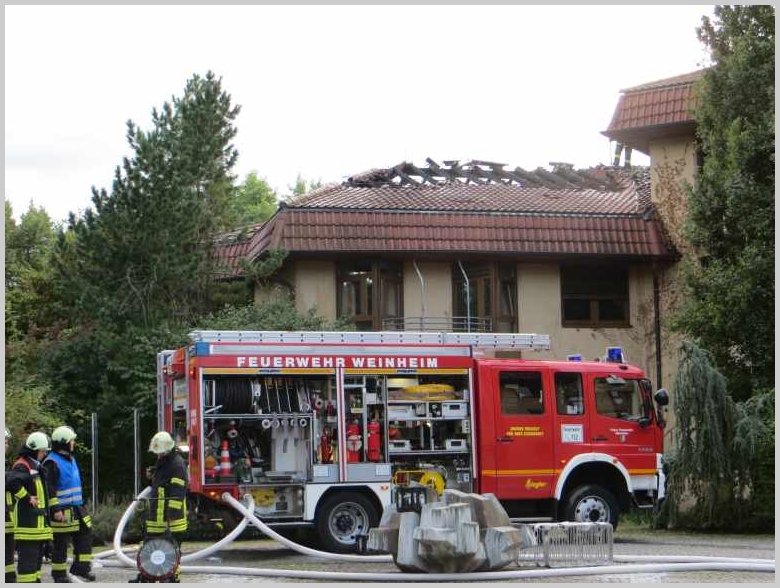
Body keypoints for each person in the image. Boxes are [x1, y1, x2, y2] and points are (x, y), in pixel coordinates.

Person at [131, 431, 188, 583]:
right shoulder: (163, 462)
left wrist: (172, 514)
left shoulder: (177, 465)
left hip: (172, 518)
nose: (158, 455)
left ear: (168, 449)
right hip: (157, 514)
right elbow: (162, 484)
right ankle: (148, 574)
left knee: (172, 549)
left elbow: (178, 492)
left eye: (160, 452)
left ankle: (171, 576)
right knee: (150, 545)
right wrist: (153, 474)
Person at [42, 425, 95, 582]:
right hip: (61, 510)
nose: (73, 443)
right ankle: (59, 575)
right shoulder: (51, 462)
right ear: (64, 442)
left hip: (77, 507)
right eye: (71, 440)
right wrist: (55, 509)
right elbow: (48, 490)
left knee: (85, 535)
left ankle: (81, 569)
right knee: (61, 544)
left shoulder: (71, 459)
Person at [6, 431, 53, 583]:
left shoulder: (35, 465)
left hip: (37, 527)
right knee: (27, 567)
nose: (44, 454)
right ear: (34, 449)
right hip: (28, 527)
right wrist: (27, 497)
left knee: (36, 567)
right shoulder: (22, 465)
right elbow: (12, 483)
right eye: (42, 451)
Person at [5, 428, 17, 583]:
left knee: (8, 551)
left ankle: (8, 578)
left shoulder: (6, 464)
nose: (7, 445)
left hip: (7, 517)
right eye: (5, 441)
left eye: (7, 442)